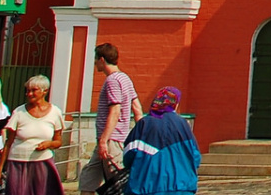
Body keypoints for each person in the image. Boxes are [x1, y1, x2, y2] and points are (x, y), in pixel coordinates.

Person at [80, 42, 139, 194]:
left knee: (117, 182)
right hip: (111, 138)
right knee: (88, 178)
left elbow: (115, 110)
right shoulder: (125, 78)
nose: (94, 63)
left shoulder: (112, 80)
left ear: (101, 60)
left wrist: (104, 140)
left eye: (95, 59)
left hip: (112, 139)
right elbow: (137, 108)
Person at [124, 87, 199, 195]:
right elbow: (195, 156)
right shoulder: (183, 125)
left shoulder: (144, 124)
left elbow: (128, 156)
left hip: (146, 187)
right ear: (175, 104)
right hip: (181, 187)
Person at [2, 75, 65, 195]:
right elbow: (8, 143)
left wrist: (49, 144)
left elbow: (58, 141)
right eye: (27, 90)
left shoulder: (55, 112)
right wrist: (0, 170)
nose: (29, 94)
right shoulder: (19, 112)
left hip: (42, 162)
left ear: (44, 91)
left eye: (33, 90)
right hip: (17, 162)